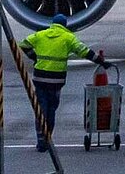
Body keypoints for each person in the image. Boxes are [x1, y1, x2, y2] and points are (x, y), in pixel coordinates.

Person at [20, 13, 106, 152]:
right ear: (64, 25)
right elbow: (84, 51)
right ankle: (48, 138)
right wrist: (100, 60)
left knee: (41, 109)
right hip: (56, 81)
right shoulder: (68, 38)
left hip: (40, 78)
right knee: (51, 109)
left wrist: (34, 57)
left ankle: (41, 140)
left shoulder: (41, 35)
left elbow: (23, 44)